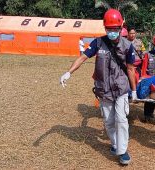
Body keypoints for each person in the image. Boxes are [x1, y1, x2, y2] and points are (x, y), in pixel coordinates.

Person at [59, 9, 137, 165]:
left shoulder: (128, 46)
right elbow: (82, 58)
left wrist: (134, 90)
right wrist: (68, 73)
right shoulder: (98, 43)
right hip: (103, 89)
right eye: (109, 29)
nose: (112, 32)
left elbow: (130, 69)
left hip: (121, 88)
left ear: (121, 27)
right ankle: (115, 145)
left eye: (115, 29)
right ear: (105, 28)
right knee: (109, 122)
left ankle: (122, 151)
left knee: (121, 119)